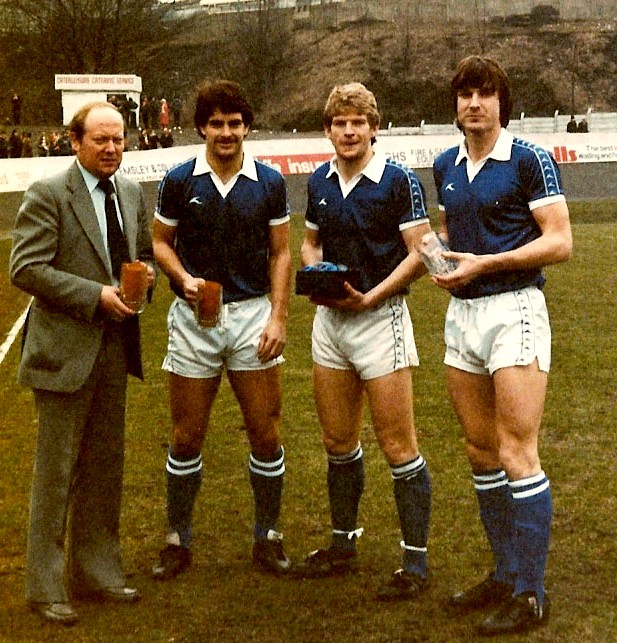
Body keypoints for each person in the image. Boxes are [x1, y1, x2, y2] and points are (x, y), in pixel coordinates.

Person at [430, 55, 572, 636]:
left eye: (485, 94)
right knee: (480, 451)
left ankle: (531, 594)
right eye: (465, 93)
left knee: (517, 452)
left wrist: (487, 261)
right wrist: (433, 254)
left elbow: (559, 242)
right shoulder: (445, 164)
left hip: (514, 308)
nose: (474, 104)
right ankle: (504, 571)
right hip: (463, 315)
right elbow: (453, 236)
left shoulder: (529, 158)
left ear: (500, 102)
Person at [10, 101, 156, 625]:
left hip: (114, 350)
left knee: (103, 470)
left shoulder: (133, 194)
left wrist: (143, 285)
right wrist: (95, 295)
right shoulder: (49, 193)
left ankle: (96, 571)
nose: (113, 148)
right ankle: (45, 586)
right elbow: (26, 267)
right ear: (74, 142)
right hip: (63, 354)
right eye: (101, 140)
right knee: (56, 473)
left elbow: (140, 256)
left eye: (118, 139)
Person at [296, 82, 433, 602]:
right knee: (337, 441)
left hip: (381, 320)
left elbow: (421, 252)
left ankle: (415, 562)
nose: (349, 132)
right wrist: (320, 275)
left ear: (374, 128)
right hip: (332, 322)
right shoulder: (321, 180)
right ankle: (342, 543)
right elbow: (309, 244)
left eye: (358, 122)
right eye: (339, 123)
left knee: (398, 445)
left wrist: (372, 296)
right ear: (328, 130)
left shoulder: (398, 181)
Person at [150, 79, 292, 580]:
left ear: (247, 127)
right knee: (187, 435)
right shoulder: (178, 179)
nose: (226, 133)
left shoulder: (270, 182)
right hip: (194, 319)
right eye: (216, 124)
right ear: (201, 128)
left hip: (252, 315)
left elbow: (281, 252)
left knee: (265, 433)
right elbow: (160, 243)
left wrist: (278, 316)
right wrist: (183, 278)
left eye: (234, 124)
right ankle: (177, 538)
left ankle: (268, 536)